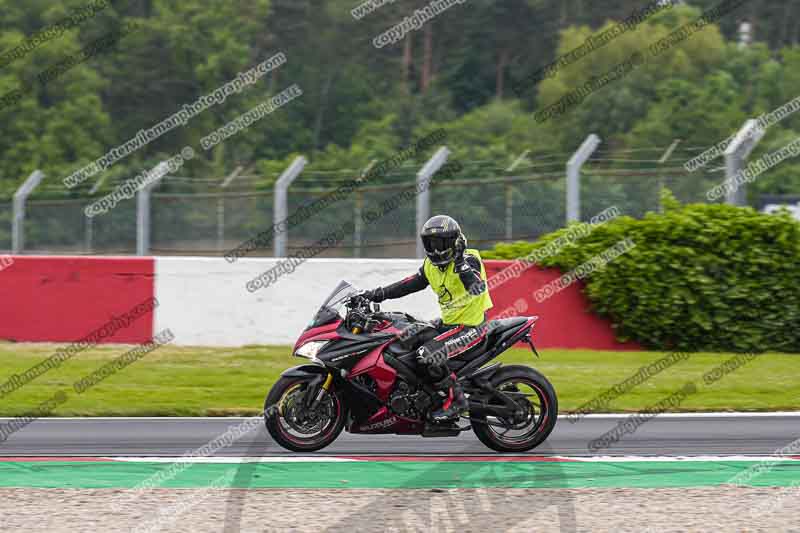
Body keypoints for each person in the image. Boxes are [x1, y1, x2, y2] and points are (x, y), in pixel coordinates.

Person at [362, 215, 493, 422]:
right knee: (403, 337)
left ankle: (456, 399)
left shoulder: (469, 259)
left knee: (427, 355)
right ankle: (420, 395)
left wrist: (459, 263)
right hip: (449, 324)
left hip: (471, 327)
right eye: (431, 243)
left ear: (455, 242)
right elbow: (408, 284)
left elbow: (477, 288)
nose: (436, 248)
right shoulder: (431, 267)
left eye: (441, 242)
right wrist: (376, 294)